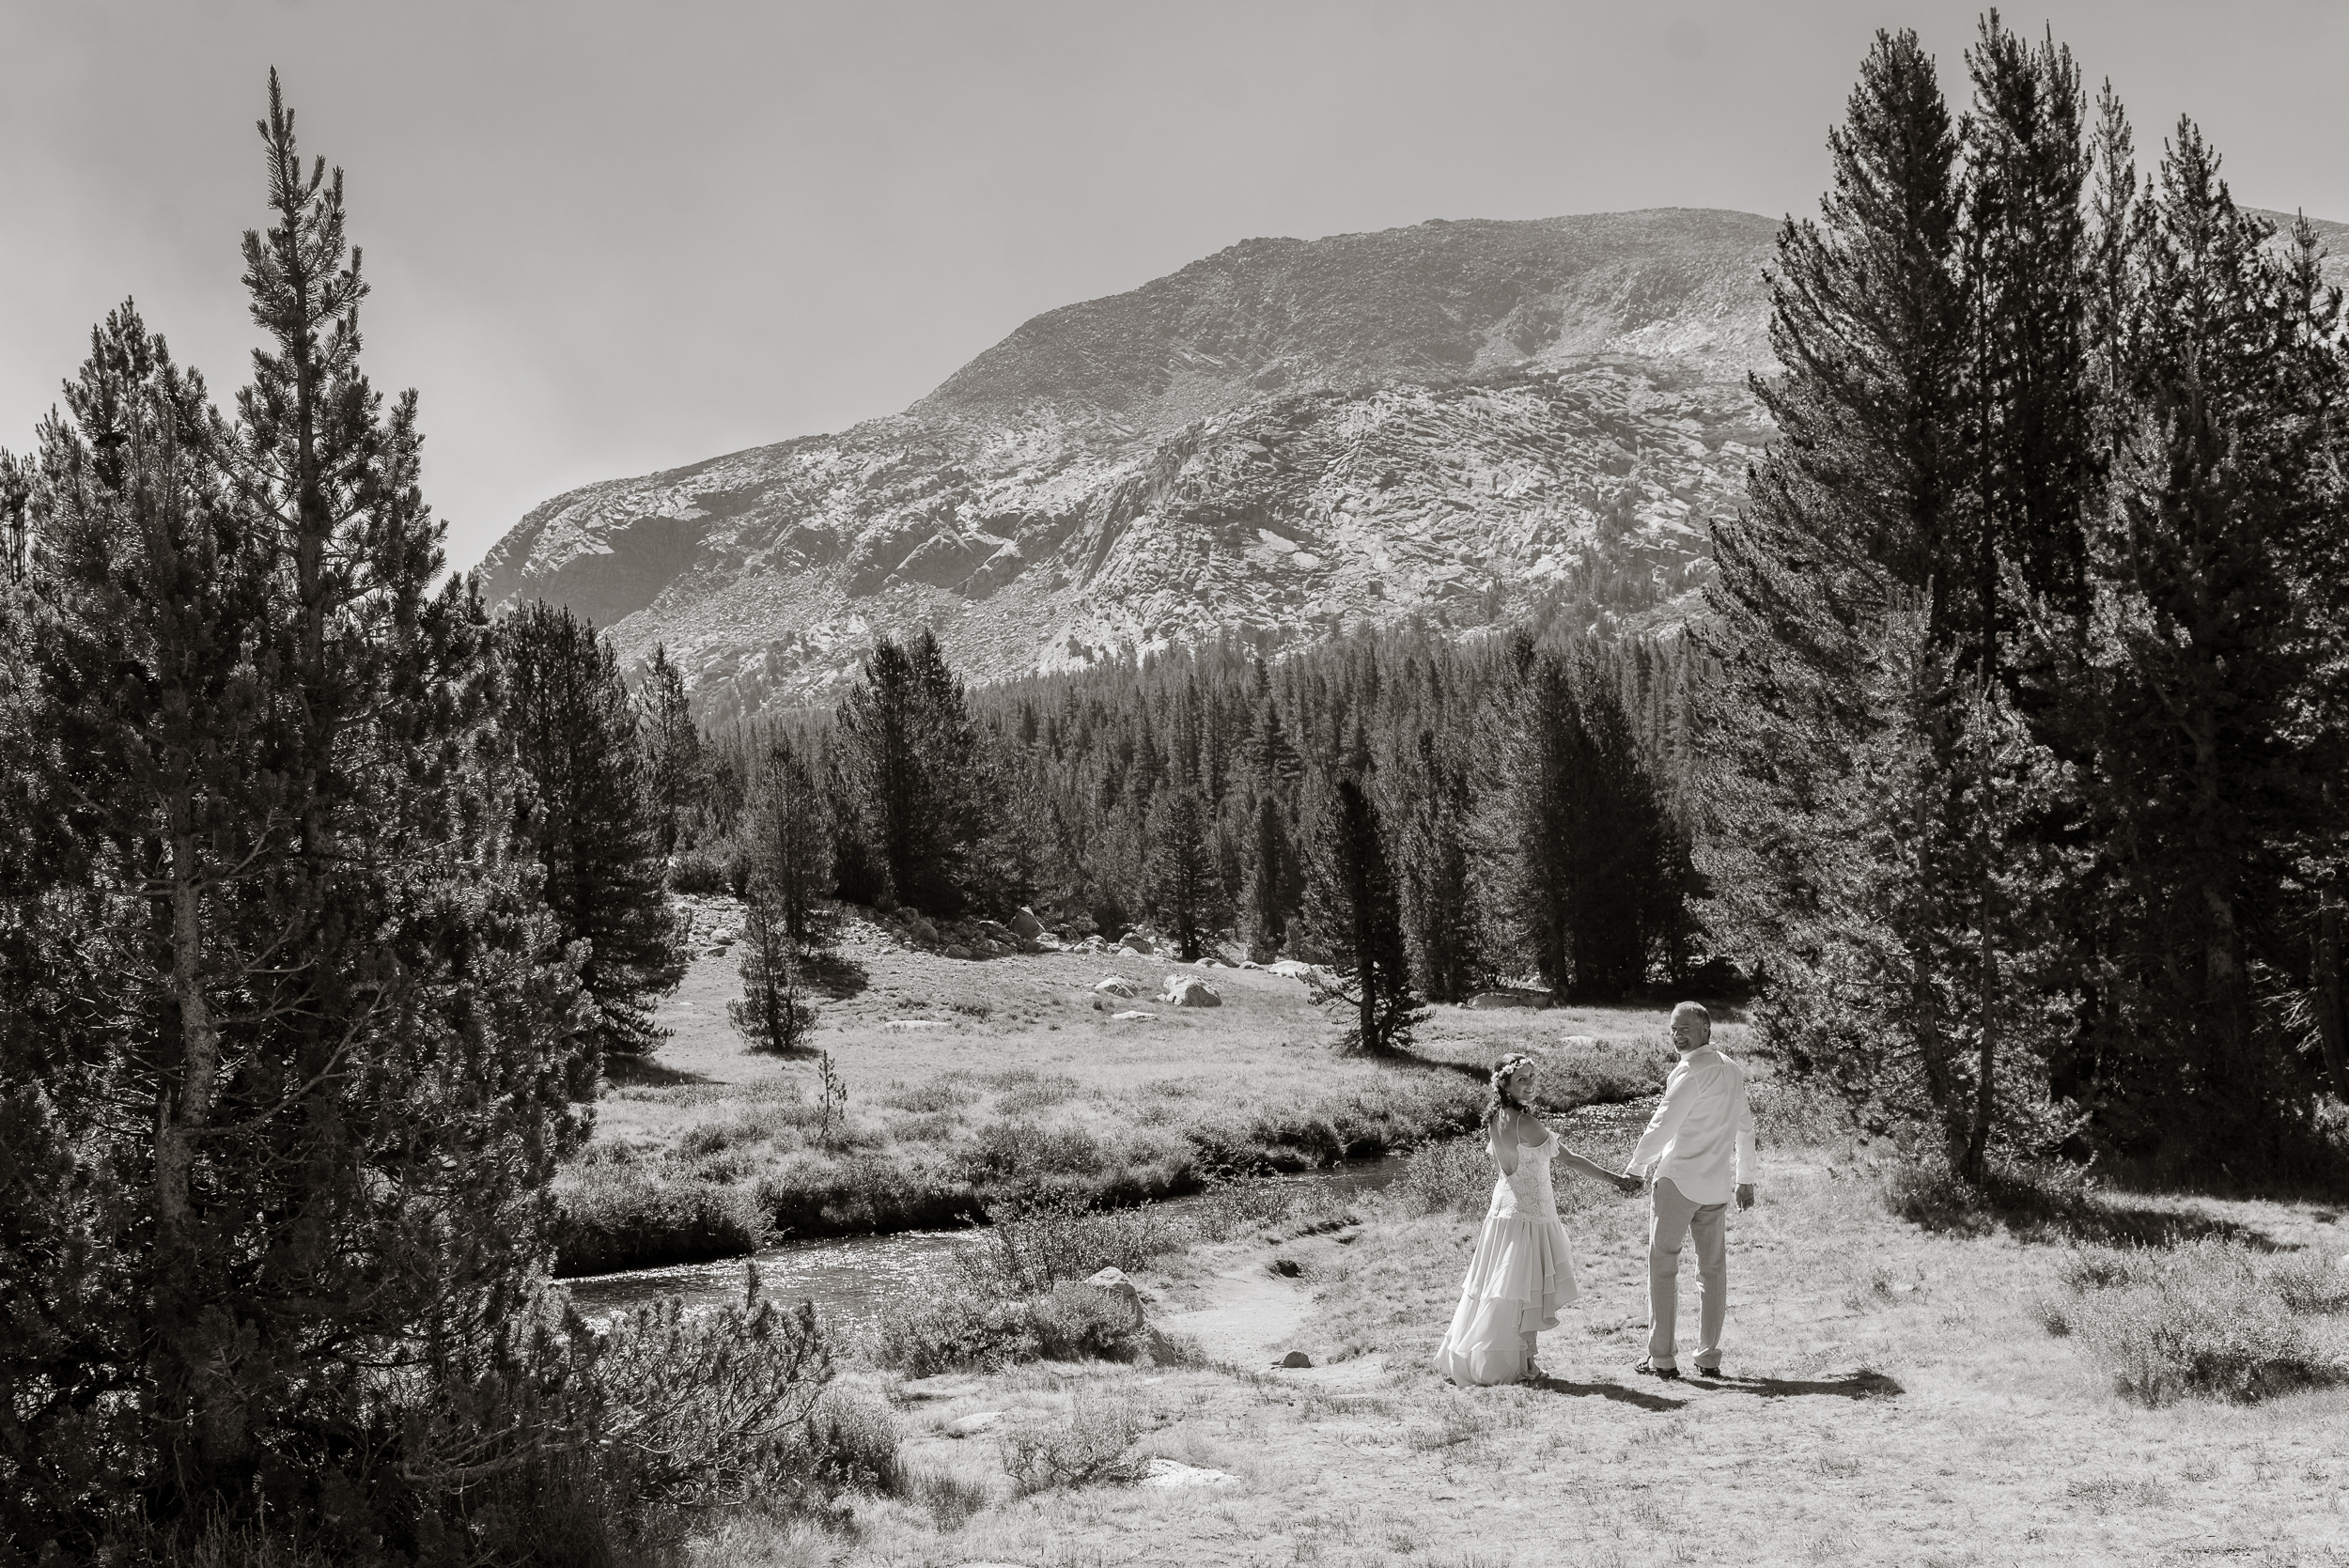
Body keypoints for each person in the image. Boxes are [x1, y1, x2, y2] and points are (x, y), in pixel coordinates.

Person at [1436, 1051, 1642, 1385]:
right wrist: (1615, 1179)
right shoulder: (1525, 1122)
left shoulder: (1496, 1117)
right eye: (1522, 1079)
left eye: (1533, 1076)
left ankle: (1513, 1359)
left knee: (1499, 1291)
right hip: (1527, 1216)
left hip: (1505, 1210)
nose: (1530, 1084)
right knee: (1518, 1294)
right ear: (1504, 1083)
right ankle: (1504, 1365)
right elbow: (1571, 1160)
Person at [1621, 1001, 1756, 1381]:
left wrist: (1636, 1167)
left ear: (1706, 1031)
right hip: (1714, 1187)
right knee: (1712, 1272)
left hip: (1678, 1183)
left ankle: (1661, 1358)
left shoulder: (1691, 1072)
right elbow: (1745, 1128)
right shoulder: (1732, 1070)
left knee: (1663, 1266)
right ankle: (1708, 1356)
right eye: (1673, 1029)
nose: (1678, 1034)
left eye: (1685, 1028)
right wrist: (1745, 1177)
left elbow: (1662, 1123)